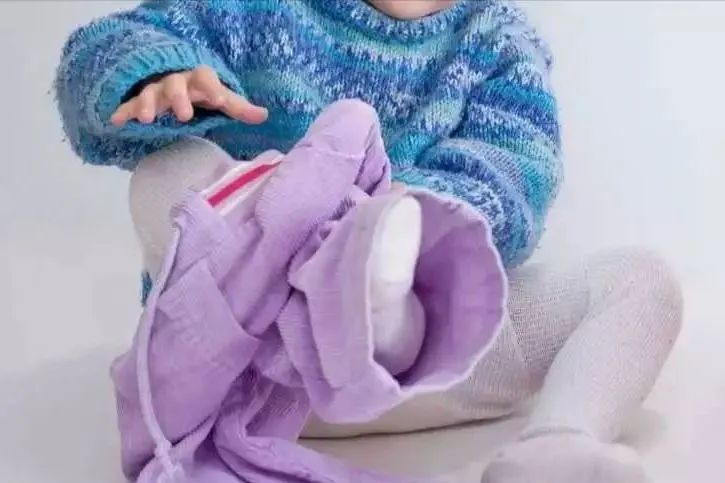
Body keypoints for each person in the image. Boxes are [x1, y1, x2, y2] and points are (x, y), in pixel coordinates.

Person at [55, 1, 683, 481]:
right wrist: (157, 74)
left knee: (636, 279)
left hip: (424, 364)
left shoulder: (500, 44)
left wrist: (386, 226)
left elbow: (512, 182)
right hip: (256, 358)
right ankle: (343, 280)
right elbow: (105, 45)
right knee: (169, 172)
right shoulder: (251, 10)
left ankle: (558, 443)